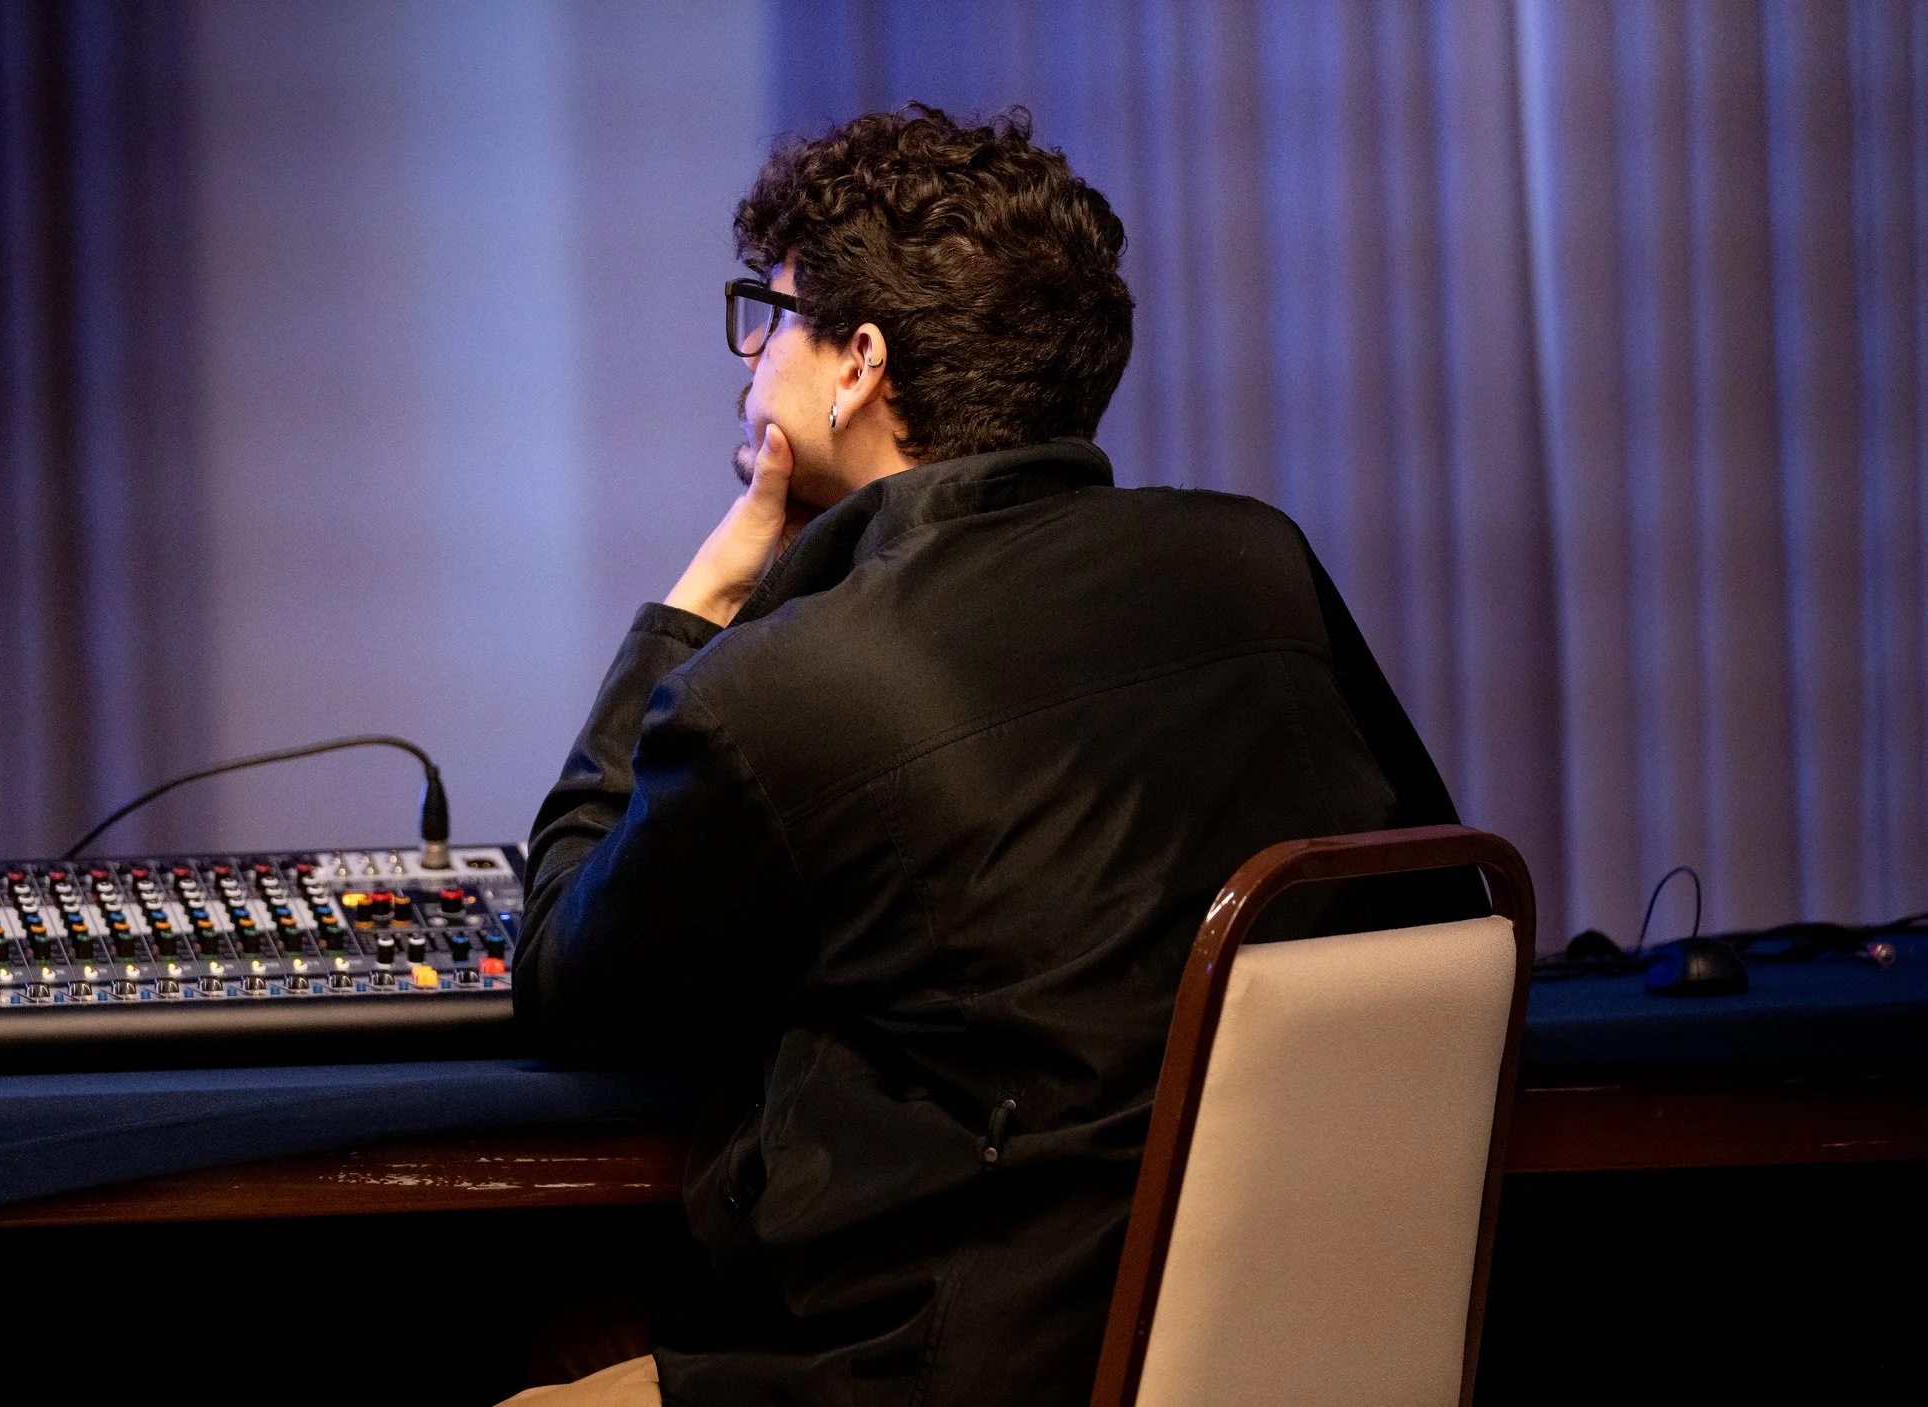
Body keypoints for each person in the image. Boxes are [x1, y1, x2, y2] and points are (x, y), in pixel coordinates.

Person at [503, 105, 1468, 1407]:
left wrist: (703, 595)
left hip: (951, 1370)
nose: (748, 370)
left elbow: (569, 968)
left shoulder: (794, 682)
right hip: (1277, 1354)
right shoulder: (1259, 563)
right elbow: (1431, 897)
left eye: (768, 316)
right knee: (589, 1334)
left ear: (857, 364)